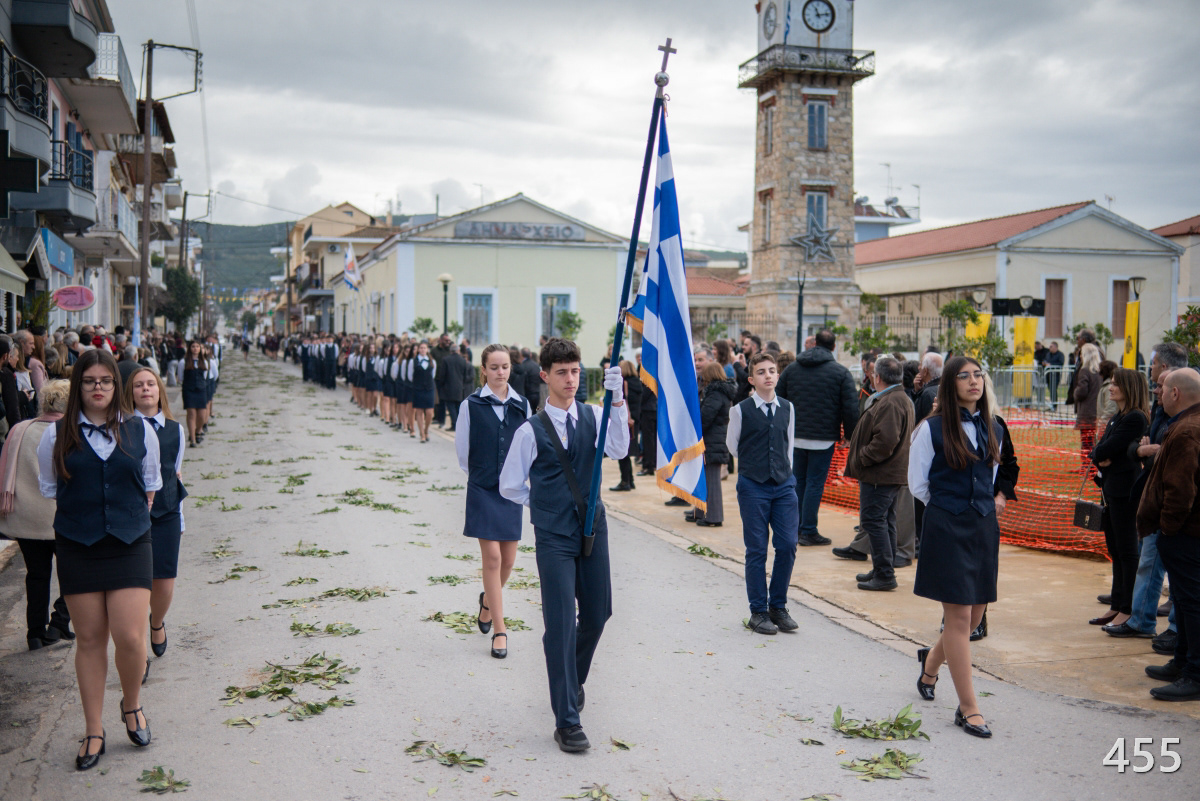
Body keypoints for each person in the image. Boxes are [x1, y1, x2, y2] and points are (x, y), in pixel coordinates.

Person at [498, 339, 627, 752]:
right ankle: (567, 721)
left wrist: (618, 401)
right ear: (545, 376)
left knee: (598, 614)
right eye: (561, 373)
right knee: (560, 624)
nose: (570, 379)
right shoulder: (530, 430)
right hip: (553, 535)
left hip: (593, 527)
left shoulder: (594, 415)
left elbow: (619, 448)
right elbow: (510, 485)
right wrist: (545, 504)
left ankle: (571, 677)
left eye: (575, 371)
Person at [36, 349, 162, 769]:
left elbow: (150, 486)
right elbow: (51, 489)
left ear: (115, 386)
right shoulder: (56, 435)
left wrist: (124, 517)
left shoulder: (140, 429)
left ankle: (132, 704)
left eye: (105, 381)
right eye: (89, 381)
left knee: (130, 637)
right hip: (78, 544)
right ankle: (93, 729)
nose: (98, 388)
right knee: (90, 639)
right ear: (79, 386)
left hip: (130, 542)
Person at [909, 356, 1003, 738]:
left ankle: (930, 665)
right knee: (960, 619)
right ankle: (969, 708)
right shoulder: (930, 429)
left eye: (978, 375)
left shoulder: (994, 426)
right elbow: (918, 484)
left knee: (975, 618)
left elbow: (991, 476)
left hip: (983, 527)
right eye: (964, 376)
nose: (973, 381)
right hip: (947, 527)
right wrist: (949, 508)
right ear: (950, 384)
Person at [455, 345, 532, 660]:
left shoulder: (522, 405)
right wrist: (483, 476)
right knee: (493, 559)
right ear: (483, 370)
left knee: (509, 561)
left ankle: (487, 602)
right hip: (483, 489)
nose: (501, 372)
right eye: (495, 367)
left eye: (505, 367)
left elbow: (528, 449)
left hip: (511, 491)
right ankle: (500, 631)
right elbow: (463, 454)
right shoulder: (470, 405)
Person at [1137, 368, 1200, 701]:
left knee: (1191, 604)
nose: (1157, 393)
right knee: (1186, 603)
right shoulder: (1187, 424)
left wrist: (1168, 529)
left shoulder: (1188, 430)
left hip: (1186, 535)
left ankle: (1194, 674)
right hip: (1185, 534)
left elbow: (1180, 489)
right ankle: (1182, 662)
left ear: (1176, 393)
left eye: (1163, 389)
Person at [727, 352, 799, 636]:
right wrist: (755, 464)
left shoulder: (788, 408)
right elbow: (733, 446)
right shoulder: (740, 410)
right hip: (753, 485)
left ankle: (777, 606)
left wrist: (783, 472)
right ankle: (758, 611)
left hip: (784, 484)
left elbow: (788, 445)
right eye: (761, 372)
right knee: (757, 548)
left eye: (771, 371)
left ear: (778, 375)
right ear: (751, 379)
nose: (767, 375)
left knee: (788, 544)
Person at [125, 367, 189, 671]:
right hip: (131, 515)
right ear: (130, 393)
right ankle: (138, 654)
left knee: (163, 583)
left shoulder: (175, 430)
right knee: (136, 586)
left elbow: (175, 473)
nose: (145, 389)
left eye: (151, 384)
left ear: (159, 390)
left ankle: (157, 621)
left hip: (166, 513)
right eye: (139, 385)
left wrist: (181, 519)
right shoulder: (122, 428)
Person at [1, 379, 72, 650]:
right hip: (60, 516)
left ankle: (35, 632)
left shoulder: (20, 429)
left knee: (36, 574)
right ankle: (59, 621)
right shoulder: (69, 431)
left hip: (26, 517)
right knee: (73, 573)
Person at [1127, 343, 1188, 654]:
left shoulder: (1186, 426)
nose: (1155, 389)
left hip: (1172, 513)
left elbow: (1170, 463)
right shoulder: (1163, 412)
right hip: (1156, 503)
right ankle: (1142, 620)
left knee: (1180, 575)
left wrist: (1149, 450)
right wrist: (1144, 450)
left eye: (1153, 365)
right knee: (1150, 563)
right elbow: (1138, 449)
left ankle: (1177, 633)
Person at [776, 329, 859, 549]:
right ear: (834, 347)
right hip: (824, 438)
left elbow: (778, 400)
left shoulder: (792, 369)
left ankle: (795, 527)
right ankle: (808, 530)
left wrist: (782, 429)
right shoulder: (841, 372)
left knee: (798, 481)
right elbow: (851, 408)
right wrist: (850, 436)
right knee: (814, 483)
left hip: (795, 435)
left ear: (814, 344)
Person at [843, 357, 914, 591]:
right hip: (886, 473)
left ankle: (884, 574)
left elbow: (885, 442)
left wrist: (862, 458)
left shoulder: (891, 401)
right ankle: (883, 568)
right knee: (885, 521)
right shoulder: (895, 398)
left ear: (878, 377)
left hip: (880, 474)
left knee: (874, 521)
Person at [1088, 367, 1150, 633]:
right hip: (1112, 489)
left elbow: (1107, 449)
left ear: (1128, 388)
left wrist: (1102, 454)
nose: (1110, 387)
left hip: (1126, 492)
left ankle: (1127, 607)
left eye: (1115, 384)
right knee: (1115, 549)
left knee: (1126, 550)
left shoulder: (1135, 418)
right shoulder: (1119, 416)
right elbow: (1098, 450)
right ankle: (1117, 603)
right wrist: (1101, 455)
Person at [694, 361, 734, 527]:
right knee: (707, 478)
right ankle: (701, 512)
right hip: (715, 441)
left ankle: (714, 517)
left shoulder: (715, 394)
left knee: (711, 480)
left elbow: (705, 417)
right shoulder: (721, 392)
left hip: (712, 441)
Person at [610, 360, 642, 492]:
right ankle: (630, 480)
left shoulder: (624, 383)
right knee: (627, 452)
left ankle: (625, 481)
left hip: (625, 421)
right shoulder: (638, 382)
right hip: (635, 420)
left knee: (622, 452)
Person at [1074, 343, 1102, 468]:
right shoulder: (1100, 371)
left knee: (1086, 442)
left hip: (1086, 412)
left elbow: (1082, 392)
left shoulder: (1084, 370)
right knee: (1094, 441)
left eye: (1081, 354)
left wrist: (1075, 392)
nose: (1080, 356)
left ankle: (1087, 467)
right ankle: (1091, 466)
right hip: (1097, 410)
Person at [178, 341, 208, 446]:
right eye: (193, 346)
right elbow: (180, 377)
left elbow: (205, 376)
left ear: (200, 348)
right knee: (191, 413)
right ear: (189, 348)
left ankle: (198, 430)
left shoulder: (204, 361)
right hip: (189, 390)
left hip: (201, 390)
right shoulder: (183, 362)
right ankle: (193, 439)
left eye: (197, 346)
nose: (195, 348)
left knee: (202, 415)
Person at [441, 344, 474, 432]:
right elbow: (465, 376)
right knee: (458, 407)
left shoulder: (446, 360)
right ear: (458, 351)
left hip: (448, 387)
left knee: (451, 406)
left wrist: (442, 384)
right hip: (460, 387)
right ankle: (458, 425)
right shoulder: (463, 361)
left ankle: (454, 424)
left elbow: (442, 375)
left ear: (450, 351)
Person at [411, 341, 437, 443]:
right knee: (419, 411)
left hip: (429, 388)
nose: (422, 350)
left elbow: (433, 375)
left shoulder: (432, 361)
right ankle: (422, 434)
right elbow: (409, 375)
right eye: (421, 348)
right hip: (418, 389)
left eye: (424, 348)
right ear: (418, 349)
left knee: (429, 412)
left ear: (427, 349)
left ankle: (426, 430)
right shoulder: (413, 361)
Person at [912, 352, 944, 423]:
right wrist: (917, 391)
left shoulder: (927, 394)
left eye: (920, 364)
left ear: (925, 371)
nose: (918, 367)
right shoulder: (944, 386)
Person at [1096, 360, 1120, 432]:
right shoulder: (1105, 385)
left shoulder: (1108, 387)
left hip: (1106, 424)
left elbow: (1110, 407)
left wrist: (1102, 423)